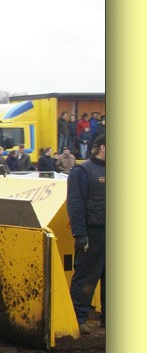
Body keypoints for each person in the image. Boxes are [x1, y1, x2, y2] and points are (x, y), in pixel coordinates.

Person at [66, 133, 105, 334]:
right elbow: (75, 204)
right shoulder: (82, 171)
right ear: (102, 148)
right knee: (86, 277)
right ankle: (78, 318)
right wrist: (80, 235)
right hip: (93, 233)